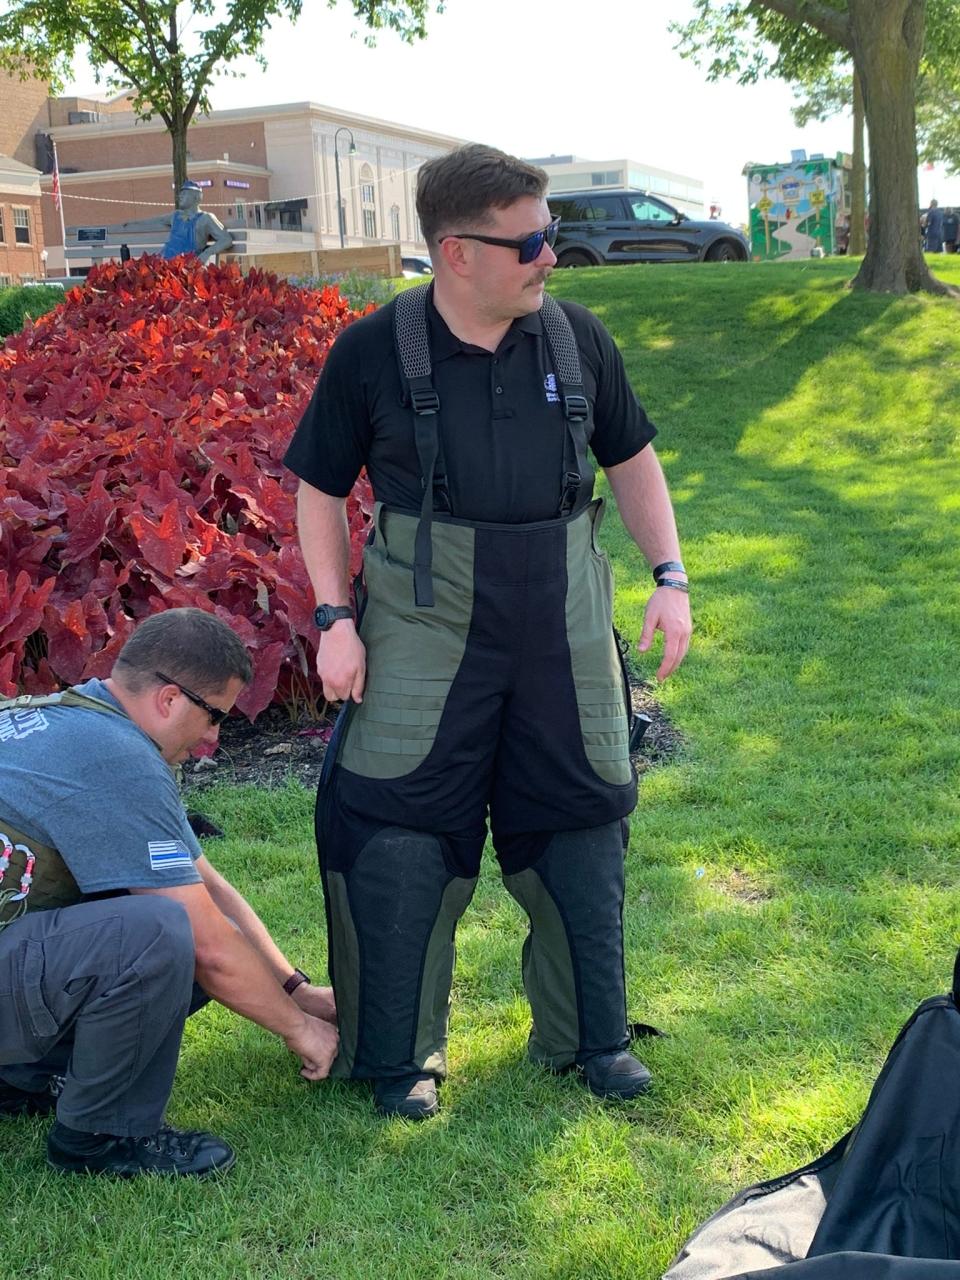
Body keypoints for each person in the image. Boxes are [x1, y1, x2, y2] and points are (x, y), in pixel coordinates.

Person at [284, 144, 692, 1121]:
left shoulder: (578, 339)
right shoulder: (372, 351)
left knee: (583, 814)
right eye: (532, 241)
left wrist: (670, 576)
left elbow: (631, 459)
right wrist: (336, 618)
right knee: (398, 825)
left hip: (563, 616)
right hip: (422, 623)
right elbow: (319, 491)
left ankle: (589, 1039)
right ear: (456, 252)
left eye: (549, 234)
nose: (553, 254)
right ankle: (400, 1056)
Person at [0, 608, 338, 1176]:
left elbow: (206, 884)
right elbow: (205, 942)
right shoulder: (118, 758)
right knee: (155, 931)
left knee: (162, 914)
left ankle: (20, 1080)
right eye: (214, 717)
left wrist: (294, 989)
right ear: (170, 699)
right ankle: (101, 1137)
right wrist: (303, 1033)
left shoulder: (69, 716)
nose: (214, 738)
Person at [116, 180, 233, 263]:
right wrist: (133, 223)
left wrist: (207, 253)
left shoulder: (205, 218)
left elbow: (226, 239)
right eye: (180, 194)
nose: (180, 196)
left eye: (184, 193)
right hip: (163, 262)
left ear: (197, 197)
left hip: (185, 266)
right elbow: (156, 220)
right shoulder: (175, 216)